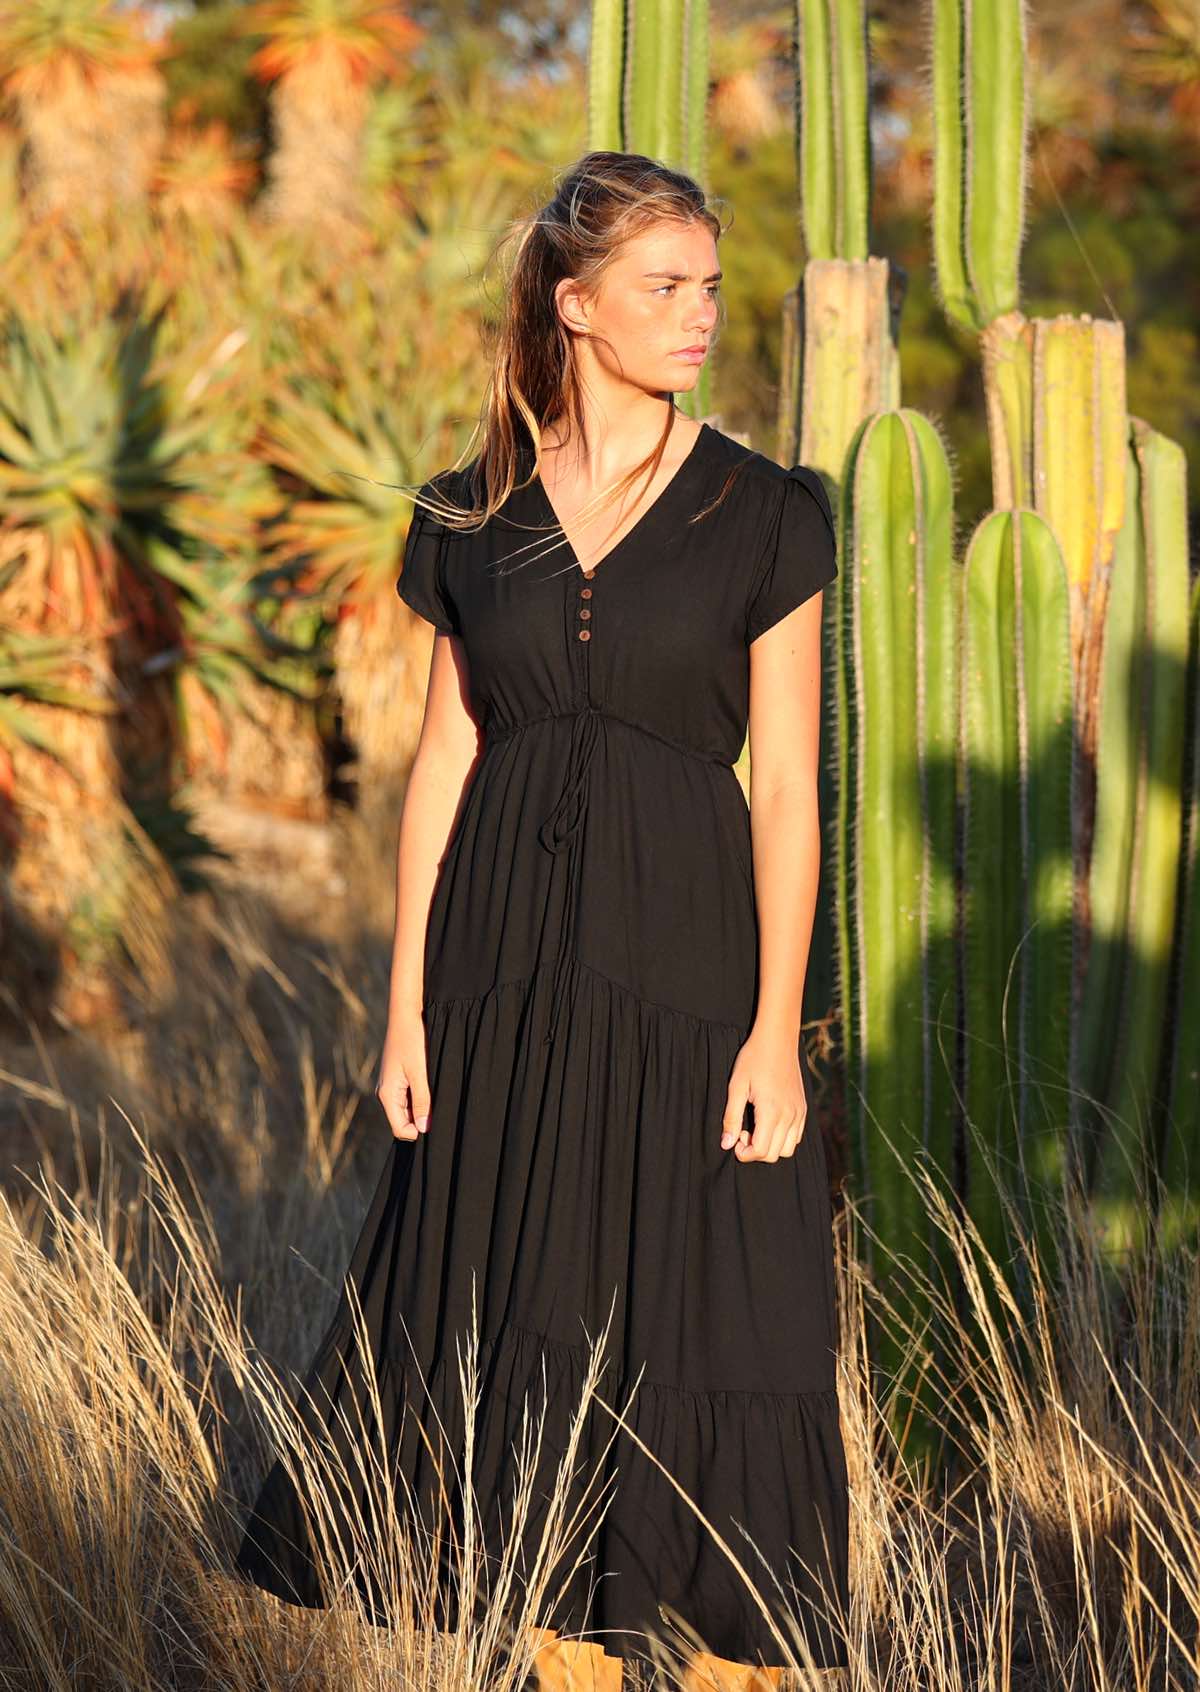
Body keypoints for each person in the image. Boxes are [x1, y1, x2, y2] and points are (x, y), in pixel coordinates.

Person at [233, 150, 850, 1691]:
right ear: (575, 309)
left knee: (711, 1303)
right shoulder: (469, 512)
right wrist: (403, 1007)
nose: (700, 315)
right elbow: (444, 763)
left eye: (709, 287)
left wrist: (776, 1025)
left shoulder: (767, 513)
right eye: (664, 288)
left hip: (693, 967)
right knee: (519, 1293)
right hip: (500, 968)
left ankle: (720, 1661)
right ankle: (549, 1647)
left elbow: (784, 782)